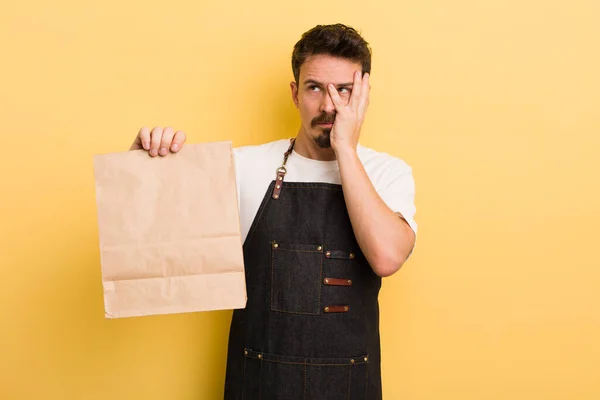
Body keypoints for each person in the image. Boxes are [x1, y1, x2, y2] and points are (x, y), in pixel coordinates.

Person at [130, 23, 417, 400]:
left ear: (363, 97)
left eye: (343, 90)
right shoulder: (244, 166)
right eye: (315, 87)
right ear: (296, 94)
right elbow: (154, 241)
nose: (329, 105)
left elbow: (386, 257)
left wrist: (345, 148)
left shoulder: (387, 173)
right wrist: (141, 168)